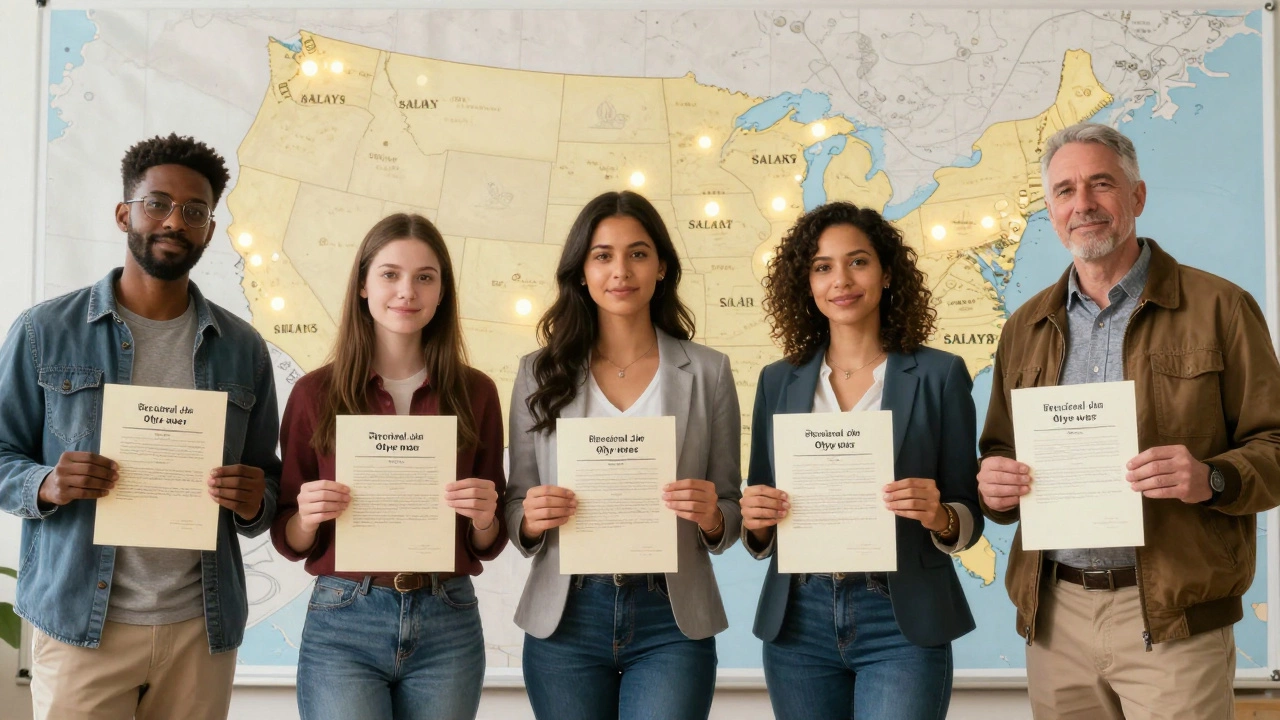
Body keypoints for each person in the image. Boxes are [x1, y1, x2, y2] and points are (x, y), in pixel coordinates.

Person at [977, 122, 1280, 719]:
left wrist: (1213, 478)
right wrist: (994, 486)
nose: (1083, 204)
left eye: (1100, 184)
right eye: (1065, 190)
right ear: (1050, 209)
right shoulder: (1024, 327)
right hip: (1055, 617)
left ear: (1137, 197)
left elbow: (1275, 444)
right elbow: (997, 452)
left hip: (1171, 620)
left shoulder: (1221, 307)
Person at [0, 133, 281, 720]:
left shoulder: (243, 350)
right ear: (125, 212)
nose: (173, 221)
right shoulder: (44, 331)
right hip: (82, 627)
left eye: (194, 211)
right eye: (157, 203)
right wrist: (47, 483)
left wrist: (255, 500)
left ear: (208, 228)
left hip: (198, 630)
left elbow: (269, 486)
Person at [503, 190, 742, 719]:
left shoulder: (708, 371)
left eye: (638, 253)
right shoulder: (537, 373)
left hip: (671, 616)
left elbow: (730, 507)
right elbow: (515, 504)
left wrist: (712, 516)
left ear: (661, 267)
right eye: (602, 255)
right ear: (581, 272)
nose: (621, 271)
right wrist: (532, 519)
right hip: (566, 616)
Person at [740, 201, 983, 719]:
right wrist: (756, 522)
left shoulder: (940, 376)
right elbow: (759, 516)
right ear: (805, 283)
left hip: (901, 617)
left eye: (858, 261)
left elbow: (968, 511)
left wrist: (940, 515)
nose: (841, 280)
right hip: (798, 619)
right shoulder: (777, 381)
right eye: (822, 267)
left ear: (888, 272)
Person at [270, 213, 506, 720]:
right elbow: (290, 536)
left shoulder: (477, 393)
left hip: (449, 617)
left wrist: (486, 517)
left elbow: (488, 540)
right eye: (390, 274)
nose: (407, 291)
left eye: (426, 277)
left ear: (442, 292)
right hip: (344, 618)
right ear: (362, 285)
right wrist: (307, 515)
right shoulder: (314, 393)